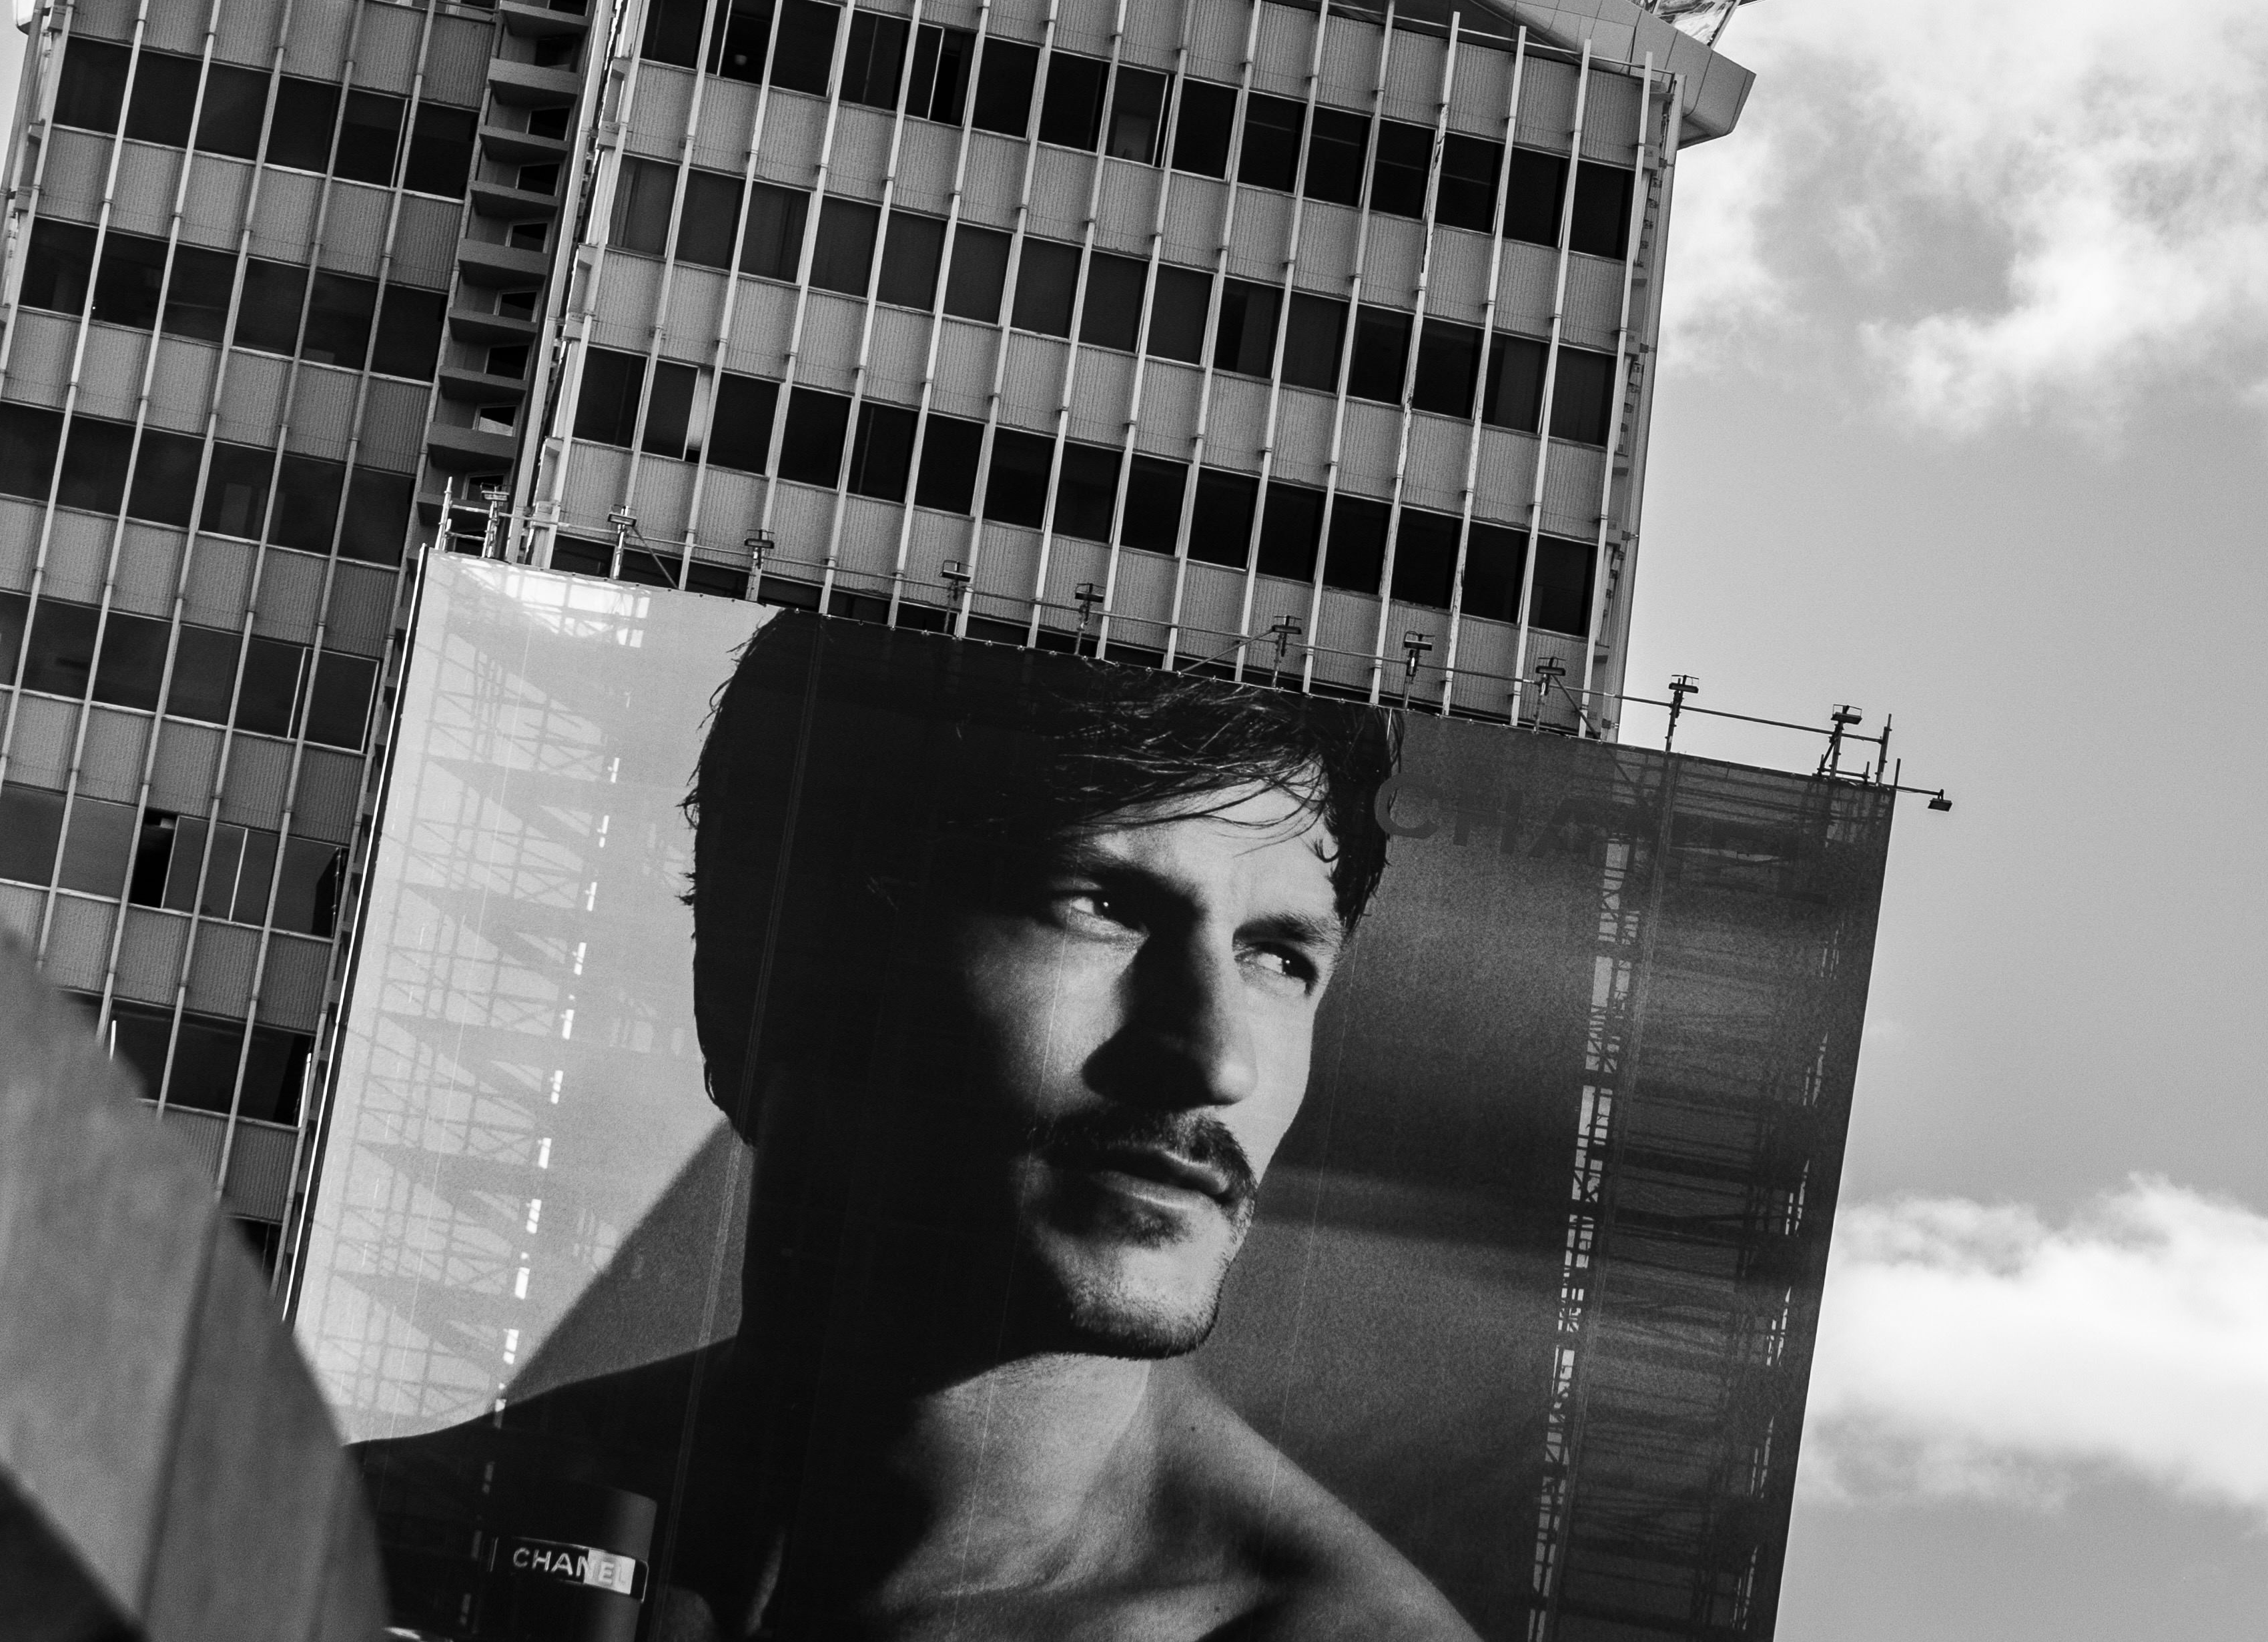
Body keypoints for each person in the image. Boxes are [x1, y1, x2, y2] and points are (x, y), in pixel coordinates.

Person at [359, 617, 1470, 1641]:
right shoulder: (377, 1538)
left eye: (1277, 955)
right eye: (1098, 903)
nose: (1216, 1061)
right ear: (767, 976)